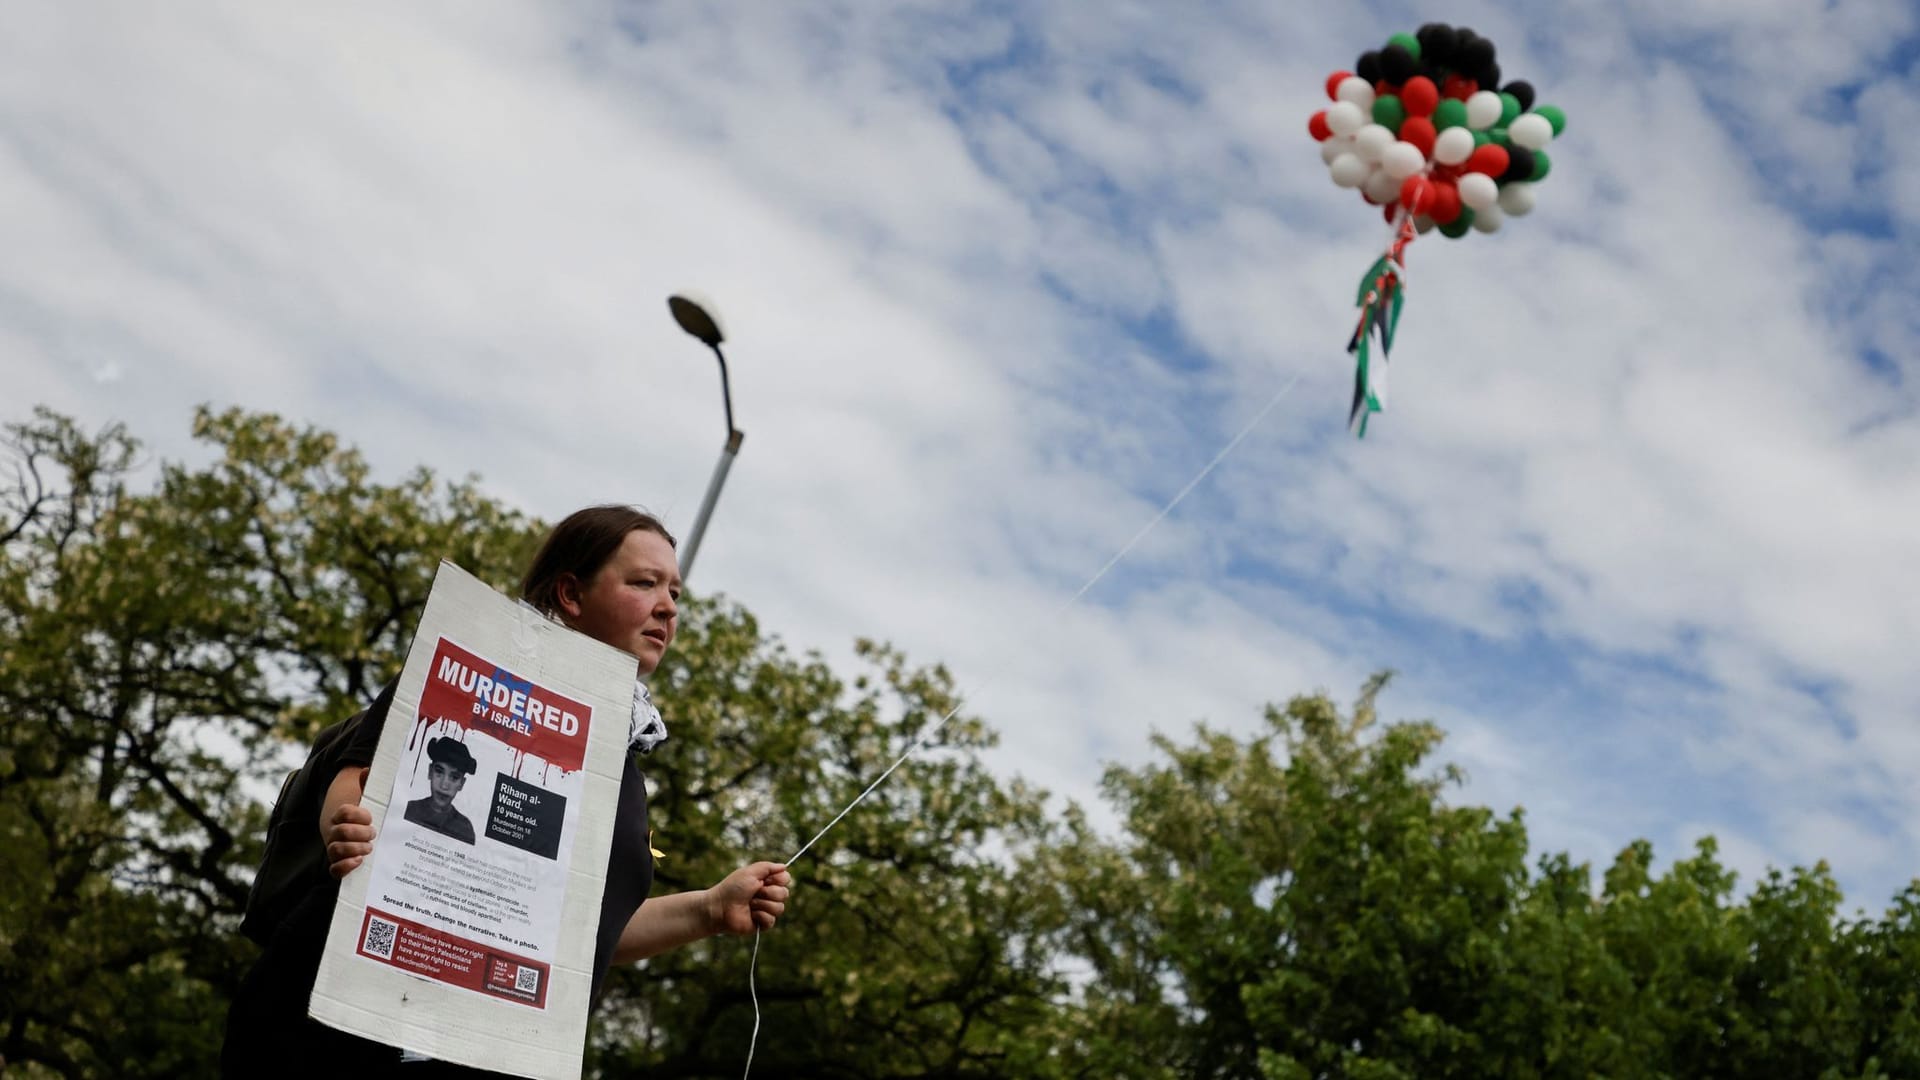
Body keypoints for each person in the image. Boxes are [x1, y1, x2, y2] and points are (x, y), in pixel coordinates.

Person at [222, 505, 792, 1076]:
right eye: (644, 583)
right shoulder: (468, 670)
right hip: (328, 1032)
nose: (668, 607)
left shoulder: (620, 765)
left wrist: (710, 908)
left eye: (675, 592)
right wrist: (343, 827)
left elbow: (583, 933)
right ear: (571, 593)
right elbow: (354, 778)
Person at [402, 736, 478, 844]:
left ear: (461, 783)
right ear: (430, 772)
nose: (444, 785)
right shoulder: (409, 810)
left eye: (454, 777)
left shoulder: (464, 829)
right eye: (439, 772)